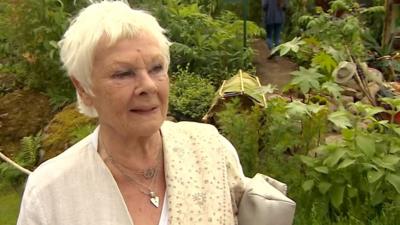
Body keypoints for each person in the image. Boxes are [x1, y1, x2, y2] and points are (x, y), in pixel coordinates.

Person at [16, 1, 246, 225]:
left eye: (156, 68)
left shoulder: (211, 151)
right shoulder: (50, 194)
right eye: (123, 73)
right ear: (83, 89)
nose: (148, 86)